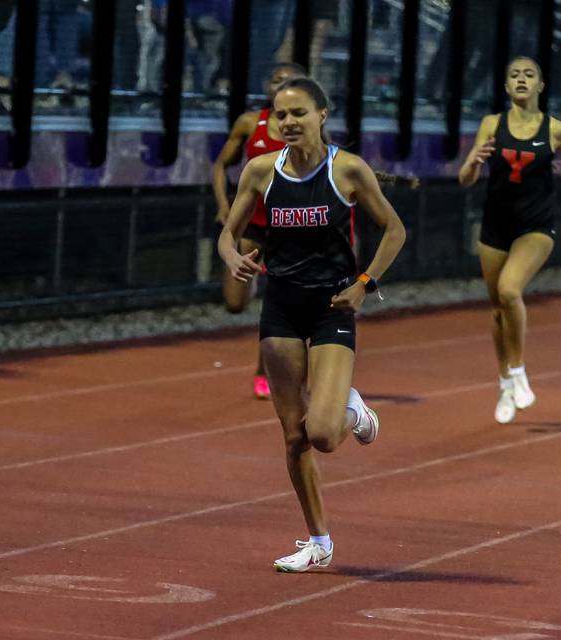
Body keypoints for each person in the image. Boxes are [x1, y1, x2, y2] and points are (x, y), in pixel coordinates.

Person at [217, 76, 406, 572]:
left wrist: (365, 283)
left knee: (322, 433)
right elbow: (227, 233)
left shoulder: (347, 170)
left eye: (299, 113)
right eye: (281, 115)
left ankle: (356, 414)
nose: (288, 122)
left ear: (323, 114)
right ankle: (318, 542)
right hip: (280, 307)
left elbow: (394, 230)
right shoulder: (259, 172)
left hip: (331, 309)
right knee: (293, 435)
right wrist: (232, 256)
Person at [458, 56, 561, 425]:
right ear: (506, 87)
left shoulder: (556, 130)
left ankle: (518, 372)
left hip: (536, 227)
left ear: (540, 85)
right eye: (514, 75)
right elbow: (465, 178)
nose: (521, 79)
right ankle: (504, 382)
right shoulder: (491, 124)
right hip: (494, 227)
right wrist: (473, 161)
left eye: (529, 75)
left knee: (509, 290)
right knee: (498, 309)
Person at [212, 61, 307, 400]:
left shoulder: (307, 128)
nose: (281, 85)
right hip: (252, 223)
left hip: (289, 227)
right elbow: (221, 165)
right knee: (235, 303)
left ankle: (262, 369)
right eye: (276, 80)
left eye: (290, 81)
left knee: (278, 304)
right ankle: (255, 279)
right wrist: (224, 205)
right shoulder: (251, 123)